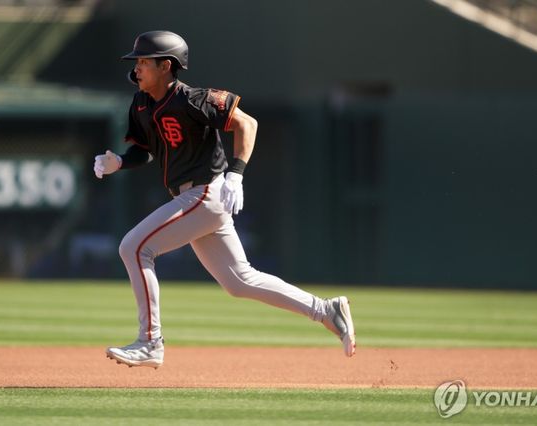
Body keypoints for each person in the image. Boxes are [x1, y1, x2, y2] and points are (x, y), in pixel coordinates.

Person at [94, 31, 355, 368]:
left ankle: (149, 342)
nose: (137, 67)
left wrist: (237, 173)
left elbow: (248, 124)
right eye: (137, 61)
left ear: (166, 66)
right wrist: (119, 161)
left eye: (144, 61)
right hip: (193, 198)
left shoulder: (193, 99)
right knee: (239, 281)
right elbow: (145, 150)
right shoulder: (142, 103)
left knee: (134, 247)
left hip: (205, 193)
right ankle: (326, 310)